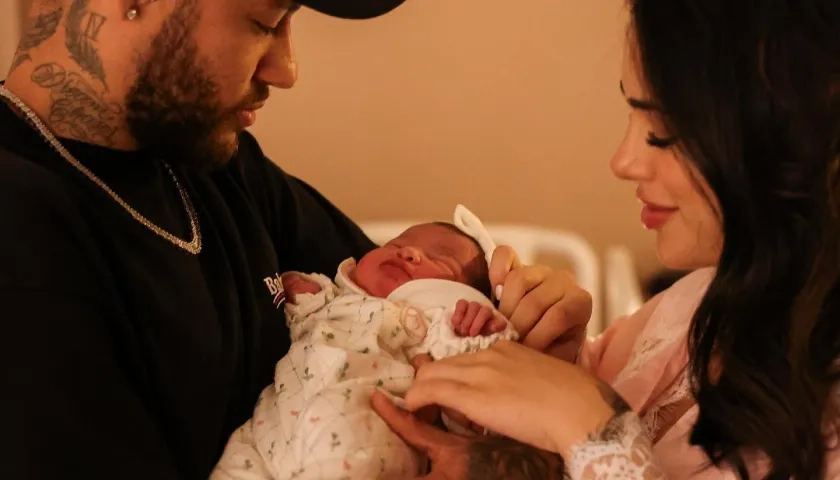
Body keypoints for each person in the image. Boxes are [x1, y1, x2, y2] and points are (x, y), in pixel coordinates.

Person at [0, 0, 594, 478]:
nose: (286, 70)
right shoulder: (24, 230)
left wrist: (534, 331)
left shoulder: (216, 165)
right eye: (264, 22)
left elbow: (400, 310)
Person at [372, 1, 840, 479]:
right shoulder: (700, 302)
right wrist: (562, 356)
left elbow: (589, 422)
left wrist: (590, 428)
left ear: (787, 127)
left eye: (661, 131)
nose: (623, 161)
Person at [212, 221, 518, 479]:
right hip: (274, 424)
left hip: (368, 418)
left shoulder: (437, 322)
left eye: (441, 260)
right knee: (235, 465)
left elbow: (476, 397)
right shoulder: (328, 298)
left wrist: (480, 330)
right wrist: (296, 289)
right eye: (397, 243)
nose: (409, 252)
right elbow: (291, 313)